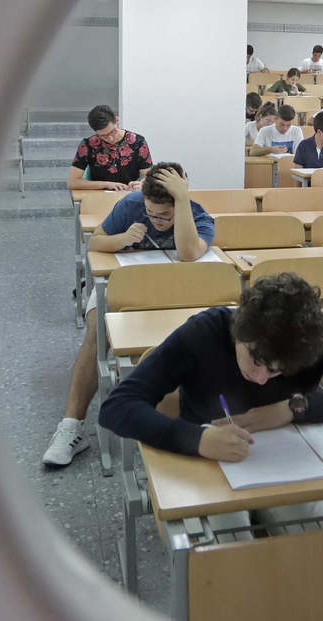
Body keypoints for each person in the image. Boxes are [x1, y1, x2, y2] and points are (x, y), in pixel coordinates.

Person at [98, 272, 323, 465]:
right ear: (238, 329)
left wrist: (294, 407)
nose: (260, 379)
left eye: (277, 372)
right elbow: (118, 406)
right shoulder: (206, 332)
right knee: (229, 535)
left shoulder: (315, 337)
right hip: (208, 457)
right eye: (256, 360)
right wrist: (197, 439)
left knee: (314, 530)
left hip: (289, 458)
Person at [43, 164, 214, 465]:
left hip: (174, 295)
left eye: (165, 215)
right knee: (98, 333)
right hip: (122, 284)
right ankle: (71, 427)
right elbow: (95, 242)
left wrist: (183, 201)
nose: (157, 221)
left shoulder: (196, 214)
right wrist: (122, 239)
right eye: (151, 213)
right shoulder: (131, 205)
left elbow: (189, 254)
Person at [68, 104, 152, 192]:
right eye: (103, 136)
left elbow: (149, 176)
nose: (110, 138)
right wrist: (107, 184)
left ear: (117, 120)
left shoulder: (137, 141)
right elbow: (72, 182)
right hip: (100, 195)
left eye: (112, 132)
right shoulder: (88, 145)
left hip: (129, 195)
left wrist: (142, 183)